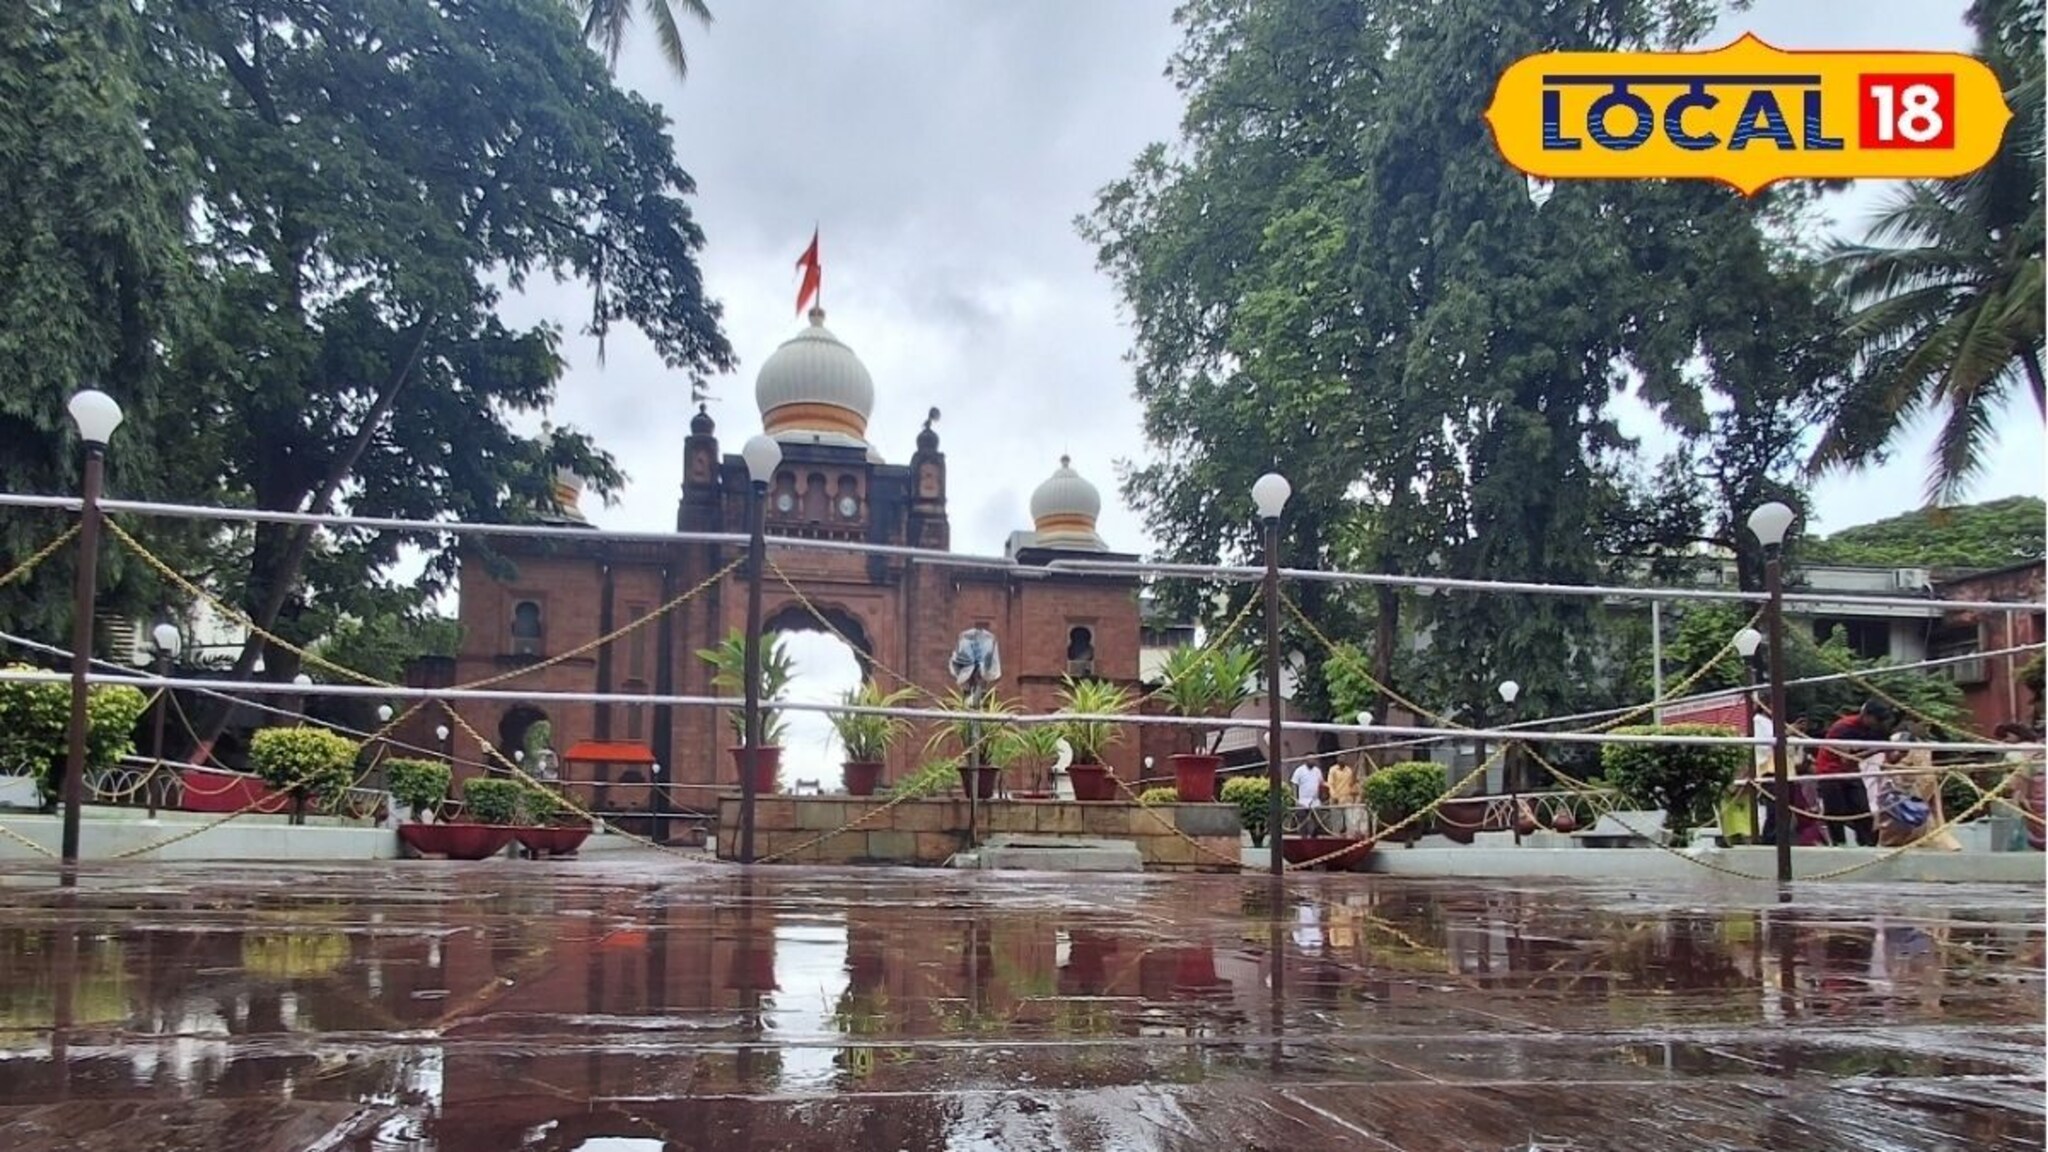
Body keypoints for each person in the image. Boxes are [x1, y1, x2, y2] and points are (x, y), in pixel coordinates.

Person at [1814, 701, 1894, 846]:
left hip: (1851, 770)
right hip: (1830, 770)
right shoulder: (1844, 727)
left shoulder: (1874, 729)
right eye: (1878, 719)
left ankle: (1866, 843)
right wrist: (1875, 750)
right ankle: (1839, 843)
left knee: (1862, 807)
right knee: (1835, 809)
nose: (1880, 723)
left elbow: (1889, 755)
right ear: (1867, 716)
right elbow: (1846, 758)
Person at [1872, 723, 1958, 851]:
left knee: (1921, 822)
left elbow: (1924, 779)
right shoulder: (1909, 745)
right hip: (1902, 787)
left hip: (1911, 788)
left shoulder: (1919, 748)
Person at [1288, 760, 1325, 835]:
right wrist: (1296, 799)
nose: (1312, 761)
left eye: (1313, 759)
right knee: (1302, 823)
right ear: (1306, 761)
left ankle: (1314, 839)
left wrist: (1322, 798)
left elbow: (1321, 784)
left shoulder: (1317, 771)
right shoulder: (1299, 770)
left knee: (1317, 823)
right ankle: (1303, 839)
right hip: (1303, 801)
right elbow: (1294, 785)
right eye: (1310, 759)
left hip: (1315, 801)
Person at [1325, 759, 1358, 835]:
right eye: (1340, 758)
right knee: (1337, 821)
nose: (1342, 760)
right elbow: (1331, 784)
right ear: (1337, 760)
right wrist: (1334, 796)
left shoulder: (1349, 770)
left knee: (1350, 820)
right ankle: (1336, 837)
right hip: (1336, 799)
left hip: (1347, 799)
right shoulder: (1333, 770)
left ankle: (1349, 837)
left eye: (1344, 759)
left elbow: (1351, 784)